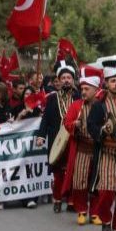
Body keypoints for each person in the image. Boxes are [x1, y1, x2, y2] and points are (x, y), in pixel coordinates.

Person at [88, 61, 116, 231]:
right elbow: (91, 126)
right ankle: (106, 218)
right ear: (106, 83)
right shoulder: (99, 105)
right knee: (106, 190)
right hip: (107, 152)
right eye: (113, 81)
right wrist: (102, 130)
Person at [61, 66, 103, 224]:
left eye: (87, 88)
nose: (83, 91)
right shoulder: (76, 105)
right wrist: (75, 124)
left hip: (98, 150)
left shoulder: (102, 105)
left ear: (95, 89)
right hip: (81, 150)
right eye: (82, 88)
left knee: (97, 181)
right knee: (80, 181)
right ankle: (81, 210)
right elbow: (67, 123)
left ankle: (95, 212)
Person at [41, 61, 81, 212]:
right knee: (58, 173)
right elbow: (45, 119)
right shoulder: (52, 98)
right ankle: (57, 199)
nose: (66, 80)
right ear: (58, 80)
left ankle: (71, 201)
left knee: (74, 171)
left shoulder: (79, 97)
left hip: (74, 140)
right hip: (57, 141)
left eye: (69, 77)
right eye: (63, 77)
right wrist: (41, 136)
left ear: (73, 80)